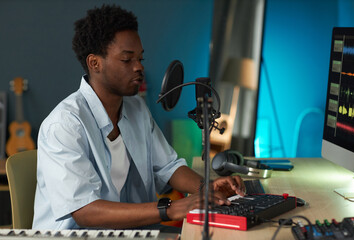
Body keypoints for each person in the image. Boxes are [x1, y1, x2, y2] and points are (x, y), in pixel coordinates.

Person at [32, 4, 245, 231]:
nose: (138, 68)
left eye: (140, 59)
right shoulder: (64, 125)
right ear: (95, 63)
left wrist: (207, 188)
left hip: (132, 232)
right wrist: (171, 209)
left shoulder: (136, 108)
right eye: (127, 60)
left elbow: (168, 167)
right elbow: (86, 211)